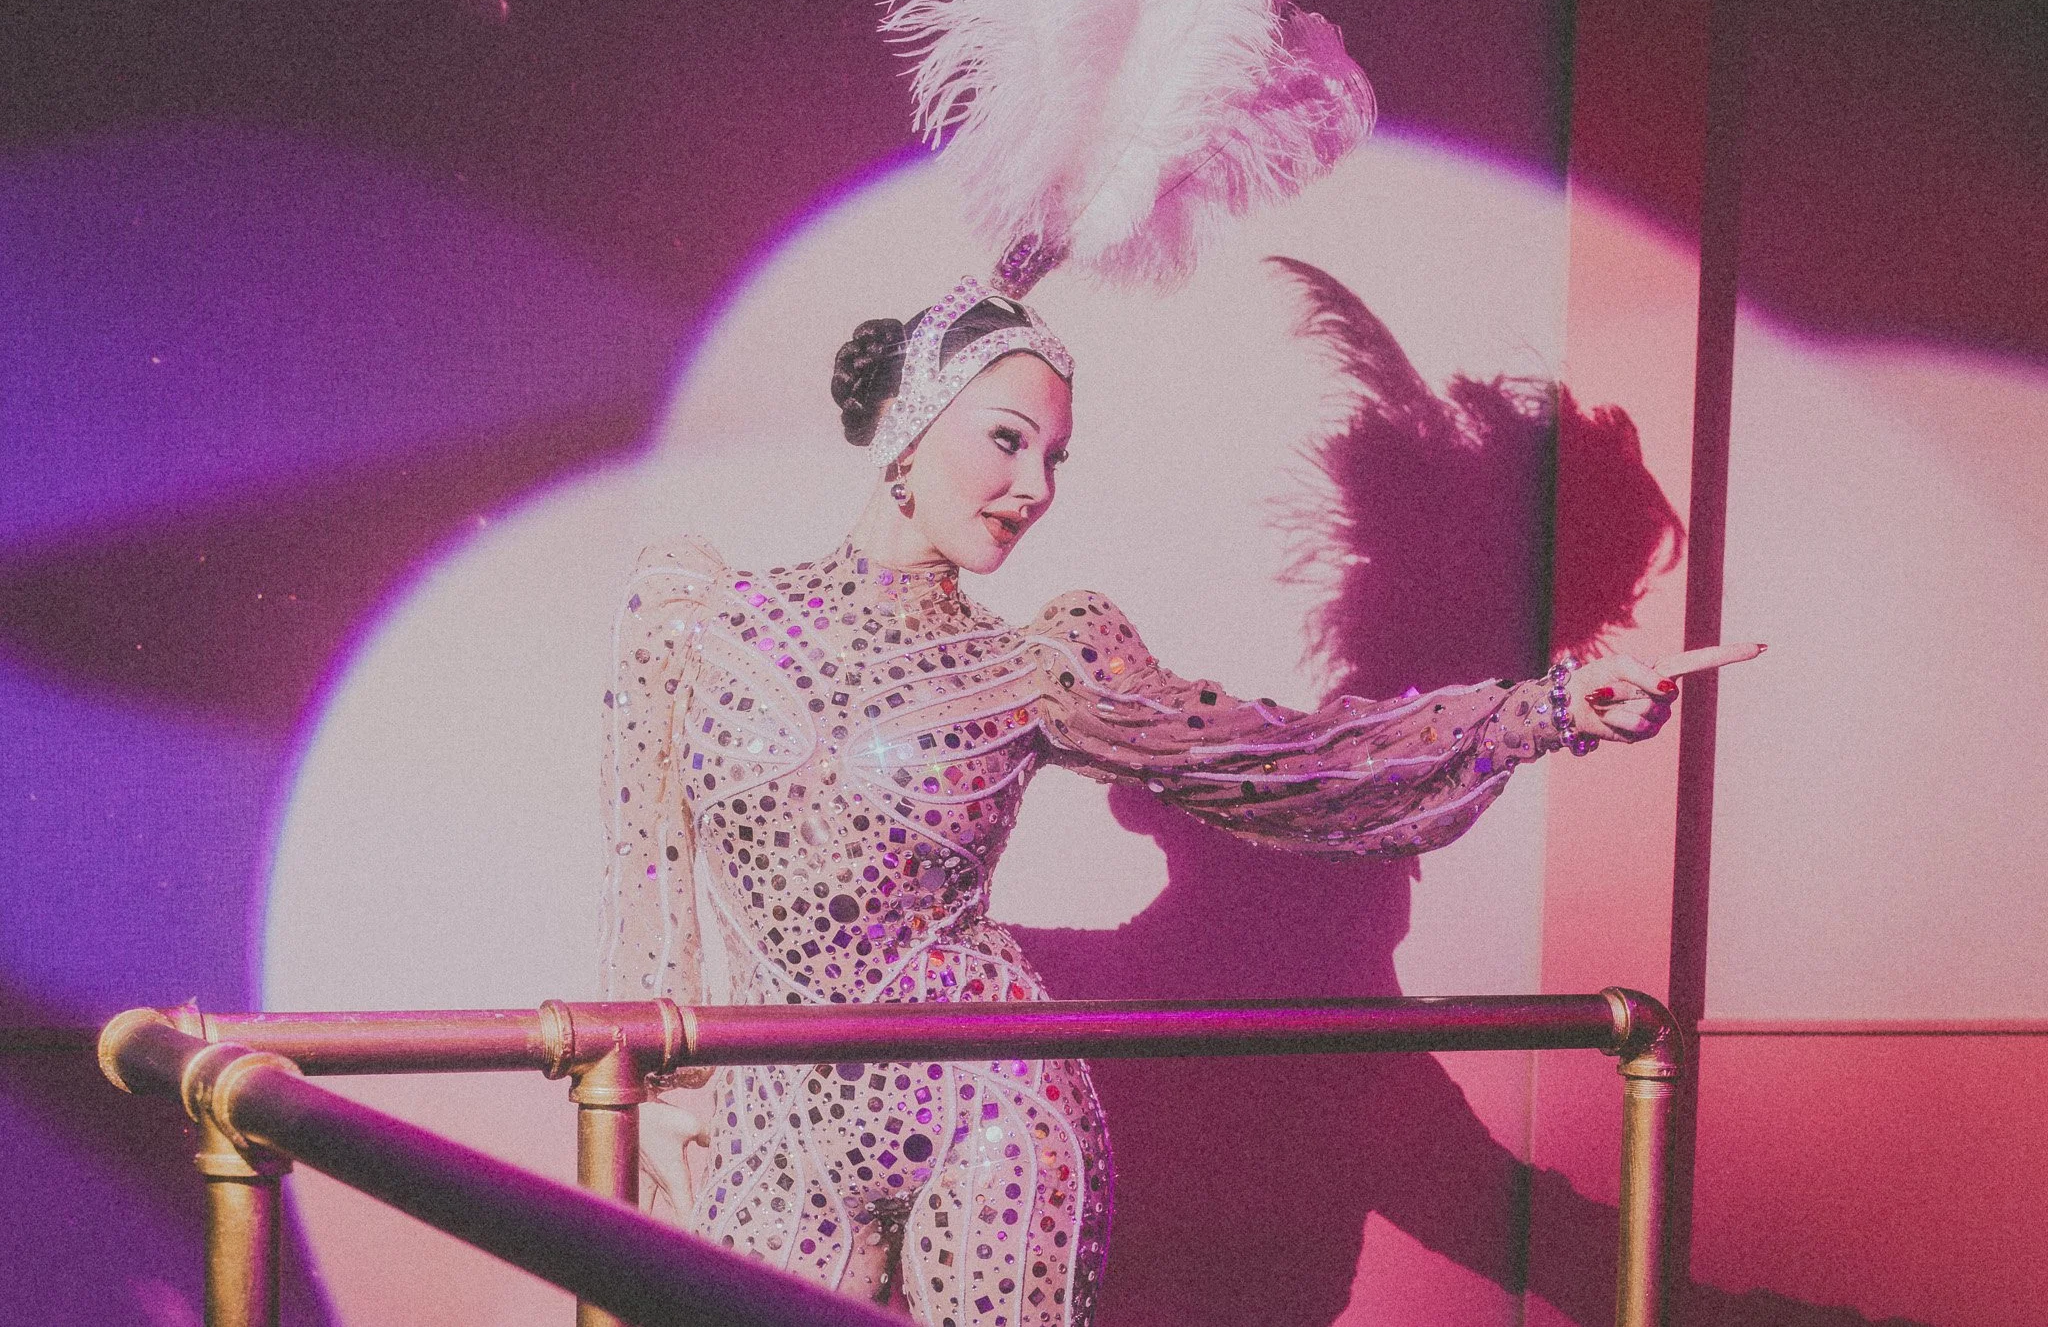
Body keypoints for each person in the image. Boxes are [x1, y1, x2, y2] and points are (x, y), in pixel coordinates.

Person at [599, 277, 1760, 1327]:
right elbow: (644, 870)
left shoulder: (1040, 665)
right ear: (907, 423)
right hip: (771, 1124)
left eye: (1055, 459)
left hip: (991, 1121)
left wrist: (1542, 709)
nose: (1033, 490)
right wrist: (649, 1085)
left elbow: (1281, 763)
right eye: (1006, 442)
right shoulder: (697, 621)